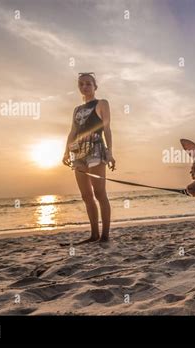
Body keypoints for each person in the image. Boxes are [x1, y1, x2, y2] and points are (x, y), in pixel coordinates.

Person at [62, 72, 115, 244]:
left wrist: (110, 152)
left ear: (95, 86)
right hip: (78, 153)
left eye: (88, 84)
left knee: (100, 193)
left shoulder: (101, 103)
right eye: (81, 84)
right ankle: (94, 234)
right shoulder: (76, 110)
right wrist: (65, 151)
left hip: (96, 149)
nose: (84, 87)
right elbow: (72, 131)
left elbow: (106, 128)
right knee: (86, 195)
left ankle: (105, 236)